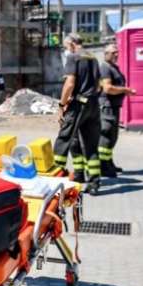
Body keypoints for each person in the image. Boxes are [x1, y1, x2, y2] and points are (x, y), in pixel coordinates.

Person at [53, 33, 102, 195]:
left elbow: (70, 83)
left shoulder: (74, 57)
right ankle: (93, 182)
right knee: (90, 144)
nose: (67, 49)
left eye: (67, 46)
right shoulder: (93, 58)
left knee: (64, 138)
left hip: (79, 104)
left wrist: (62, 104)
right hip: (94, 104)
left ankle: (55, 177)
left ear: (73, 43)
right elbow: (99, 85)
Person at [98, 44, 136, 177]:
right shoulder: (105, 68)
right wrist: (125, 90)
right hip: (106, 107)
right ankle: (103, 166)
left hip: (114, 107)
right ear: (106, 54)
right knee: (106, 137)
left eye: (117, 52)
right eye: (113, 52)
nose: (116, 54)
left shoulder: (114, 67)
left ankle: (108, 163)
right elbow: (107, 88)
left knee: (112, 138)